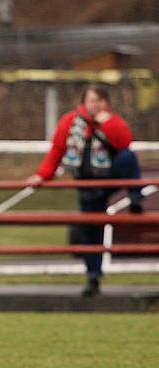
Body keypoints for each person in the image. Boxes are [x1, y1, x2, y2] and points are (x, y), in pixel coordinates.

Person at [26, 85, 146, 297]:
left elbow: (124, 142)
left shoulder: (113, 121)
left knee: (128, 158)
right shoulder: (69, 122)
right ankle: (93, 277)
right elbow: (57, 150)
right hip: (88, 183)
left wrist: (106, 124)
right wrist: (42, 175)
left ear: (106, 103)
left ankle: (135, 197)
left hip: (110, 175)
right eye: (92, 100)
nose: (95, 105)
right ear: (84, 102)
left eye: (100, 101)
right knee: (91, 229)